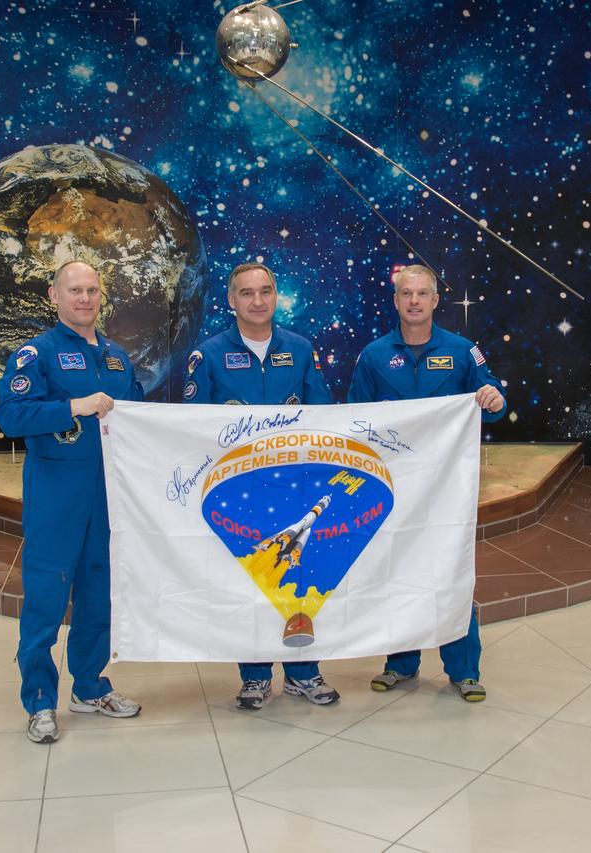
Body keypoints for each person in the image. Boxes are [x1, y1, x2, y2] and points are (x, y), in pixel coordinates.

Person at [0, 260, 144, 743]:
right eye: (75, 289)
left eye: (93, 290)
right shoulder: (36, 354)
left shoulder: (119, 358)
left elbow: (143, 418)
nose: (85, 298)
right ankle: (39, 701)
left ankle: (90, 686)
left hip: (110, 500)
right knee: (45, 599)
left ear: (102, 297)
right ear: (54, 295)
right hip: (57, 499)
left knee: (99, 597)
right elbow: (12, 416)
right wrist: (73, 407)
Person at [347, 264, 507, 702]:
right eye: (406, 294)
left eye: (423, 294)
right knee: (397, 573)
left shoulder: (462, 351)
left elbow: (492, 399)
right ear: (396, 301)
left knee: (452, 573)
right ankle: (400, 664)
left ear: (436, 301)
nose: (414, 301)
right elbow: (352, 419)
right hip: (394, 490)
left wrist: (494, 398)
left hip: (446, 491)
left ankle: (464, 669)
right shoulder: (374, 356)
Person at [185, 262, 340, 711]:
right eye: (247, 293)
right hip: (237, 492)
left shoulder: (300, 348)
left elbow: (322, 412)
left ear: (276, 297)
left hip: (295, 489)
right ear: (231, 300)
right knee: (247, 581)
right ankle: (253, 676)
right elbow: (192, 425)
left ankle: (303, 673)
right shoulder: (209, 355)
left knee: (298, 578)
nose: (257, 301)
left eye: (266, 291)